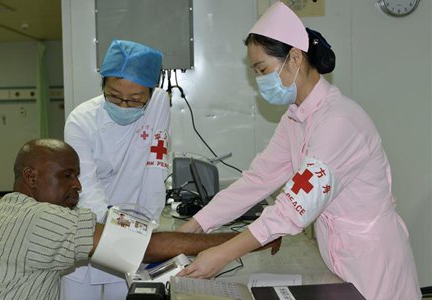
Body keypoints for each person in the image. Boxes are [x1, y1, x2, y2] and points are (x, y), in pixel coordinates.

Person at [177, 3, 421, 300]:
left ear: (294, 58)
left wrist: (222, 254)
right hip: (338, 259)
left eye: (263, 70)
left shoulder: (340, 122)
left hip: (373, 263)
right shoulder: (296, 119)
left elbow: (293, 208)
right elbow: (257, 179)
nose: (260, 83)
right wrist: (196, 225)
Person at [0, 139, 255, 300]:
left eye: (78, 175)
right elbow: (147, 246)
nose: (78, 185)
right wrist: (248, 239)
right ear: (30, 177)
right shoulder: (39, 218)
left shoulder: (11, 210)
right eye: (66, 175)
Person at [61, 39, 170, 299]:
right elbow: (85, 187)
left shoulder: (158, 105)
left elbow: (155, 170)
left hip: (134, 234)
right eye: (114, 96)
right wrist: (123, 231)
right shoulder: (81, 120)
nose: (123, 106)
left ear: (151, 92)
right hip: (89, 231)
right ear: (103, 86)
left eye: (135, 100)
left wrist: (147, 232)